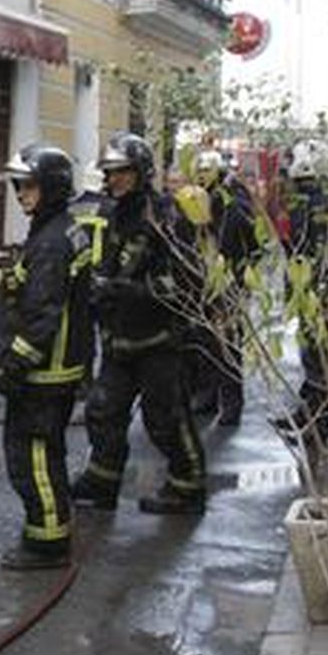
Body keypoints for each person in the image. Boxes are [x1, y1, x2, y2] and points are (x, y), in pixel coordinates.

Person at [71, 132, 209, 515]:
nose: (112, 180)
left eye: (121, 172)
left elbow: (187, 282)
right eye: (109, 173)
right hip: (119, 338)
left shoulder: (166, 215)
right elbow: (105, 262)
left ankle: (187, 486)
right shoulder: (115, 213)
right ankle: (102, 481)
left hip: (160, 341)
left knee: (164, 419)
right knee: (103, 411)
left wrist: (128, 289)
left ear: (141, 172)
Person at [0, 144, 96, 570]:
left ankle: (47, 544)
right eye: (18, 185)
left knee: (30, 456)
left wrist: (12, 367)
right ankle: (49, 529)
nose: (20, 194)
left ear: (51, 186)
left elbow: (40, 318)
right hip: (61, 368)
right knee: (47, 452)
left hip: (43, 374)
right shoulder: (65, 228)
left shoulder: (51, 242)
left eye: (28, 185)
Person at [189, 148, 260, 427]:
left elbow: (250, 243)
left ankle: (232, 403)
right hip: (203, 281)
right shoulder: (199, 199)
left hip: (229, 282)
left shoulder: (234, 202)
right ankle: (208, 396)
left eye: (205, 173)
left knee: (228, 344)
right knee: (205, 341)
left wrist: (237, 276)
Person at [275, 140, 328, 446]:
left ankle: (320, 423)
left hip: (314, 292)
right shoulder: (312, 201)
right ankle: (309, 413)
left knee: (316, 356)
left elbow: (309, 250)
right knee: (310, 354)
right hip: (308, 290)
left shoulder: (313, 204)